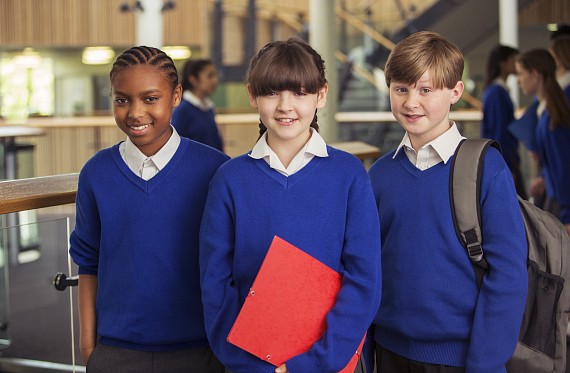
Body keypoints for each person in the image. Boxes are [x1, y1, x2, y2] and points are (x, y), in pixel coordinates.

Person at [199, 37, 382, 373]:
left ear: (321, 95)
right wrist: (247, 363)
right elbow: (216, 285)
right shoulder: (230, 180)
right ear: (253, 95)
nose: (285, 106)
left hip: (333, 363)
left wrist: (317, 361)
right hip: (249, 364)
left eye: (299, 93)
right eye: (271, 93)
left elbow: (364, 280)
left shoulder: (349, 174)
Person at [368, 31, 528, 372]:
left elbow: (509, 276)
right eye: (401, 89)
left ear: (456, 91)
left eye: (426, 89)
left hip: (462, 359)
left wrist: (485, 365)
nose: (412, 102)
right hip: (388, 353)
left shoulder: (485, 167)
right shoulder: (380, 174)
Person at [68, 46, 229, 373]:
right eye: (122, 99)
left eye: (150, 98)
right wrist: (89, 349)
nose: (135, 112)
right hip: (116, 352)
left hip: (201, 350)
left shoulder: (216, 170)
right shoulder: (96, 173)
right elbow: (88, 263)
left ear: (176, 95)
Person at [515, 48, 570, 237]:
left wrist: (567, 216)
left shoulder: (552, 119)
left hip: (561, 204)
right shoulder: (547, 113)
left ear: (535, 74)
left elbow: (564, 168)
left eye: (521, 73)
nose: (518, 80)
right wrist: (545, 176)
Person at [481, 45, 527, 198]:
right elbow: (499, 134)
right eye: (514, 60)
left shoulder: (498, 91)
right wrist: (506, 166)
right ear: (503, 62)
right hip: (504, 160)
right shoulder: (496, 93)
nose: (518, 64)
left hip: (506, 158)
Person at [171, 58, 224, 152]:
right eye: (209, 76)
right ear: (193, 79)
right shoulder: (183, 110)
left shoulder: (208, 108)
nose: (215, 81)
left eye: (215, 76)